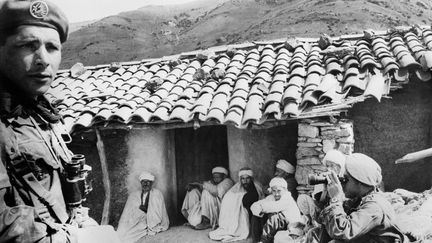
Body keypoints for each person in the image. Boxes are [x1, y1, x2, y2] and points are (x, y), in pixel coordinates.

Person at [0, 1, 119, 242]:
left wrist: (85, 224)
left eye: (52, 47)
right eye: (27, 45)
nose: (43, 60)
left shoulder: (42, 116)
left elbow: (63, 199)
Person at [317, 153, 406, 243]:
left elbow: (343, 232)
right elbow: (330, 222)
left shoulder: (375, 206)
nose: (342, 184)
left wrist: (335, 199)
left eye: (346, 179)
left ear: (359, 181)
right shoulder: (361, 199)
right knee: (316, 233)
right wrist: (328, 194)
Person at [209, 167, 264, 242]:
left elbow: (261, 197)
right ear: (240, 179)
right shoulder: (235, 190)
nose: (245, 181)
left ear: (251, 178)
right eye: (242, 179)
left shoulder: (257, 187)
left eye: (247, 178)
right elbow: (230, 200)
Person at [117, 171, 169, 242]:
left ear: (151, 183)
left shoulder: (156, 194)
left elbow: (157, 213)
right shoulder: (135, 195)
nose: (145, 184)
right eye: (143, 182)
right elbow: (129, 212)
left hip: (150, 220)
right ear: (141, 183)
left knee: (131, 235)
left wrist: (143, 212)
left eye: (148, 182)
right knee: (123, 231)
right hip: (136, 219)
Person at [250, 177, 303, 243]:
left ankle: (264, 241)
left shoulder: (287, 198)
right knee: (255, 217)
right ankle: (256, 240)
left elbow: (273, 207)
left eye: (279, 191)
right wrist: (259, 210)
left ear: (285, 190)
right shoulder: (271, 197)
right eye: (274, 191)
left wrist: (261, 208)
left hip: (291, 226)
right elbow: (254, 206)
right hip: (276, 225)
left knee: (274, 217)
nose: (276, 194)